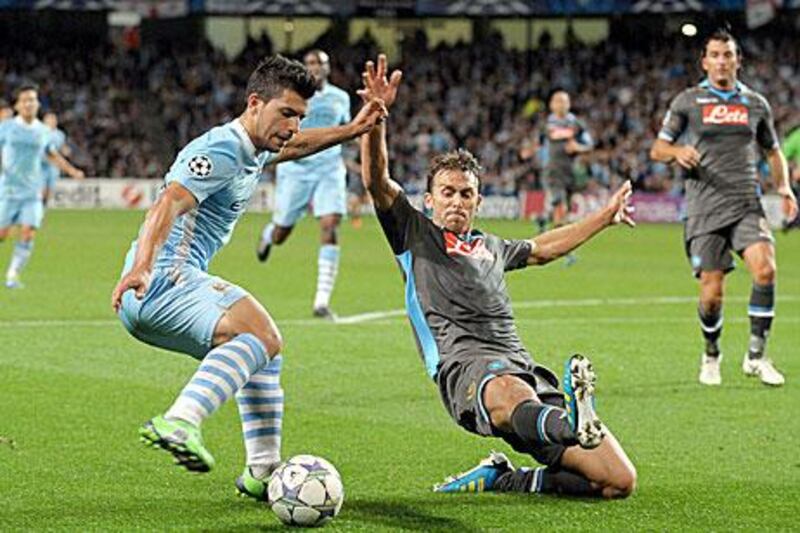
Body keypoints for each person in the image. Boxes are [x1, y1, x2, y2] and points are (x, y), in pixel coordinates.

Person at [359, 55, 636, 499]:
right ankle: (572, 423)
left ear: (478, 200)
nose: (456, 202)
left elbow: (544, 248)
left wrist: (603, 217)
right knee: (509, 394)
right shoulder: (414, 233)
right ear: (429, 200)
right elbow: (376, 180)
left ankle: (503, 477)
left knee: (616, 481)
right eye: (446, 193)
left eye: (466, 194)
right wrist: (374, 120)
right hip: (466, 365)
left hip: (522, 367)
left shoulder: (492, 246)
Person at [110, 55, 387, 499]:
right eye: (286, 114)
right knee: (262, 334)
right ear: (255, 102)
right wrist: (142, 267)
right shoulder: (220, 148)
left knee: (265, 350)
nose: (293, 127)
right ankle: (180, 420)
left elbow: (296, 147)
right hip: (160, 281)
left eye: (299, 116)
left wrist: (355, 128)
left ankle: (262, 471)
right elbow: (167, 204)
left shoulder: (254, 147)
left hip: (160, 287)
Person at [651, 30, 798, 387]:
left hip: (747, 202)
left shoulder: (756, 104)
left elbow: (773, 151)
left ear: (737, 60)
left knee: (765, 270)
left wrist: (784, 188)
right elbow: (658, 148)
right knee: (712, 293)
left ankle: (756, 356)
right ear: (705, 61)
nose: (721, 60)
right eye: (715, 54)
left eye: (727, 54)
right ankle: (711, 352)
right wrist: (676, 153)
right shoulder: (688, 101)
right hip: (704, 208)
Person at [256, 50, 353, 319]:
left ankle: (321, 302)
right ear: (305, 68)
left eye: (321, 63)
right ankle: (268, 235)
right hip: (296, 170)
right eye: (311, 63)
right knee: (282, 233)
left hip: (330, 169)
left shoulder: (341, 98)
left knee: (330, 224)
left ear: (328, 68)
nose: (316, 67)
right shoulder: (292, 97)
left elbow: (345, 131)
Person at [0, 84, 84, 289]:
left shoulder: (43, 131)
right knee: (2, 234)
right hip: (8, 191)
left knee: (28, 231)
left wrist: (72, 171)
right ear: (18, 105)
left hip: (32, 192)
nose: (30, 103)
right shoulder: (6, 127)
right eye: (25, 100)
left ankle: (12, 275)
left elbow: (52, 154)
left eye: (33, 99)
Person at [541, 91, 593, 241]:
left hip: (570, 171)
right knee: (560, 204)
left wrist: (578, 147)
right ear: (551, 105)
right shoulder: (548, 123)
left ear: (569, 104)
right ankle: (558, 239)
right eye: (557, 101)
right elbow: (546, 138)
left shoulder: (576, 124)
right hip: (553, 169)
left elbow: (589, 145)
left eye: (564, 101)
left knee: (567, 208)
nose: (561, 105)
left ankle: (548, 223)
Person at [40, 112, 70, 207]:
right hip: (40, 165)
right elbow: (49, 150)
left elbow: (61, 147)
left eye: (54, 119)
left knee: (49, 192)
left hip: (53, 166)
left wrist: (65, 150)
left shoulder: (60, 134)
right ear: (44, 121)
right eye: (49, 119)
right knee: (42, 190)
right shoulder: (40, 132)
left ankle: (41, 210)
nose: (52, 121)